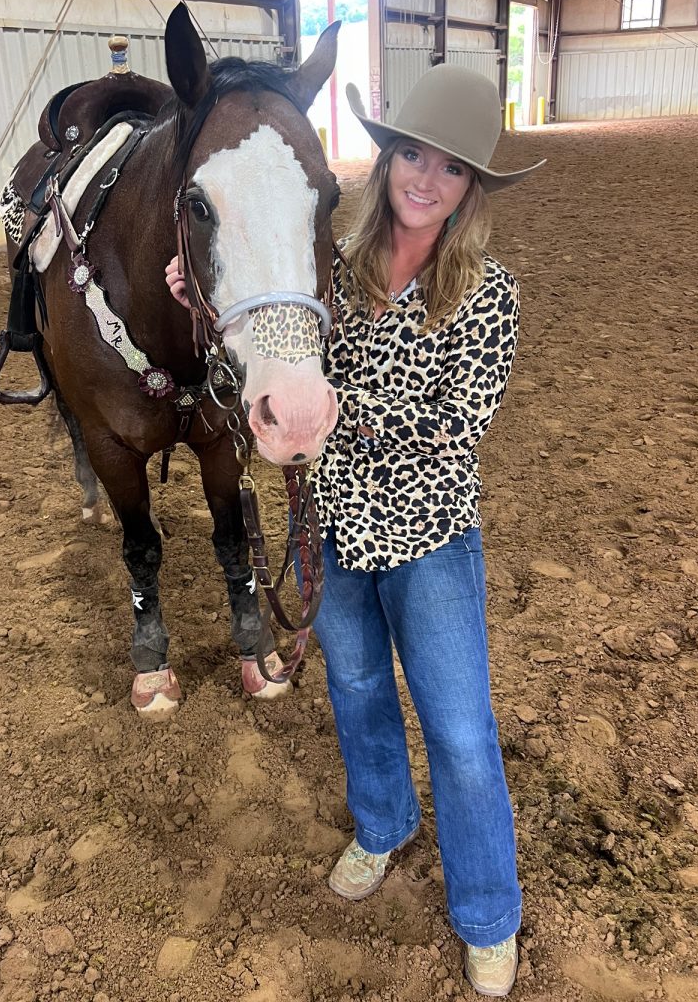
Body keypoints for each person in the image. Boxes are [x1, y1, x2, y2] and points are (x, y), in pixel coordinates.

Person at [166, 64, 544, 997]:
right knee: (362, 692)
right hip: (332, 528)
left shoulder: (487, 293)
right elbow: (278, 333)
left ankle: (489, 912)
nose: (425, 178)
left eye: (451, 169)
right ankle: (382, 827)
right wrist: (204, 293)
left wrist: (336, 407)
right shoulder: (330, 272)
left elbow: (460, 424)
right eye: (411, 154)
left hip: (428, 540)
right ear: (385, 163)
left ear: (470, 191)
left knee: (459, 730)